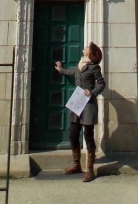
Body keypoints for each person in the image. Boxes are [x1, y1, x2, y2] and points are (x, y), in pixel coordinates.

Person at [54, 42, 105, 182]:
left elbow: (101, 83)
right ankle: (76, 164)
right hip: (77, 104)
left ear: (90, 52)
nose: (86, 47)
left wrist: (92, 92)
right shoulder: (80, 64)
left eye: (88, 47)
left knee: (88, 137)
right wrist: (61, 69)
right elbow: (73, 72)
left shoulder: (94, 67)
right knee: (73, 135)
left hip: (88, 105)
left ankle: (90, 170)